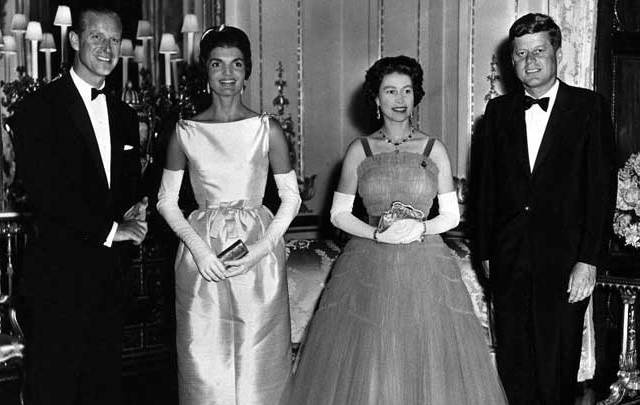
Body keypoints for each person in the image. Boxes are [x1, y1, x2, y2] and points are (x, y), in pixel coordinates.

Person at [285, 55, 507, 404]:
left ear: (416, 96)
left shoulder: (435, 149)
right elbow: (339, 214)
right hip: (368, 263)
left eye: (407, 91)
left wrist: (417, 229)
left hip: (426, 263)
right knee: (371, 355)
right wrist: (377, 234)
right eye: (390, 91)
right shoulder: (360, 150)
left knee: (424, 354)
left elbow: (450, 215)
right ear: (375, 98)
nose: (399, 99)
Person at [475, 13, 615, 405]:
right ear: (512, 61)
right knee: (514, 366)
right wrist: (486, 252)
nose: (530, 61)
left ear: (557, 52)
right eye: (521, 54)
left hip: (566, 262)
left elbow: (601, 189)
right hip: (509, 258)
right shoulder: (498, 113)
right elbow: (485, 188)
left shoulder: (589, 108)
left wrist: (589, 259)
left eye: (539, 51)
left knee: (557, 365)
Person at [11, 6, 148, 405]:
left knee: (101, 390)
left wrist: (134, 210)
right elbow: (46, 193)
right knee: (53, 391)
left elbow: (121, 188)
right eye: (96, 37)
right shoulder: (39, 109)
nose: (107, 48)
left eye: (114, 40)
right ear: (74, 41)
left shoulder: (124, 115)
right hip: (57, 280)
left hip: (108, 281)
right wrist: (111, 230)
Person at [156, 25, 301, 405]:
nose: (227, 74)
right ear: (205, 70)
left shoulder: (266, 128)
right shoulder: (185, 131)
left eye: (236, 64)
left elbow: (291, 197)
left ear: (247, 69)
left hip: (258, 253)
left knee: (260, 361)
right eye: (217, 64)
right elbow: (166, 201)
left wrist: (261, 249)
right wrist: (199, 251)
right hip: (202, 252)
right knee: (204, 361)